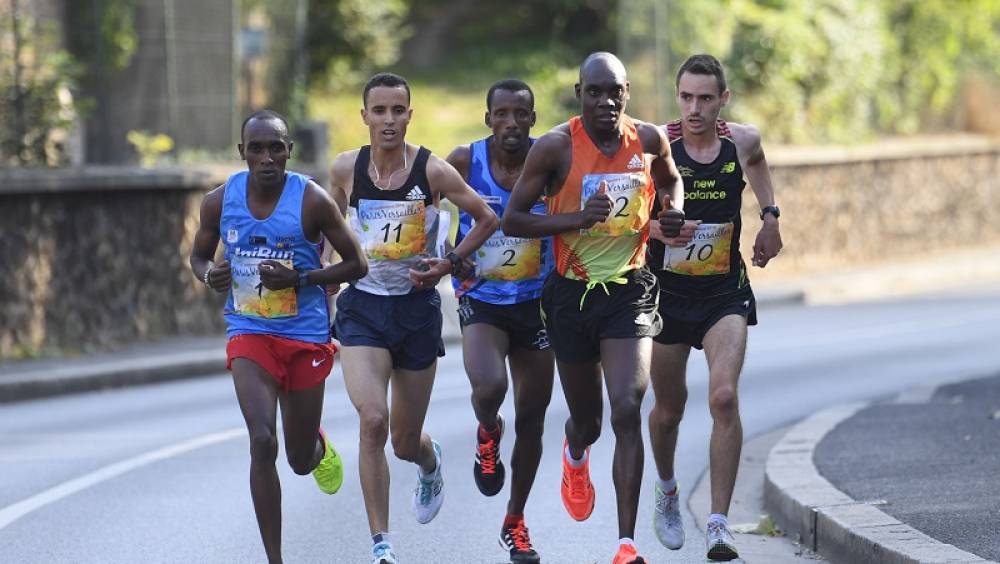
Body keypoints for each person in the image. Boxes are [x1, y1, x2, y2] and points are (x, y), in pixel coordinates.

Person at [503, 52, 685, 564]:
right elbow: (514, 220)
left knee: (628, 408)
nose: (606, 101)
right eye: (595, 92)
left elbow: (671, 180)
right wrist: (578, 219)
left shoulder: (648, 139)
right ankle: (575, 452)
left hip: (628, 287)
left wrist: (673, 209)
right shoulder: (556, 148)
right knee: (590, 420)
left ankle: (626, 546)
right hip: (570, 296)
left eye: (616, 92)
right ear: (579, 93)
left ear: (628, 92)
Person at [329, 72, 499, 564]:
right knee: (372, 422)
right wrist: (327, 270)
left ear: (410, 114)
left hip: (416, 311)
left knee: (403, 441)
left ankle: (429, 460)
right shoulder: (345, 168)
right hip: (362, 307)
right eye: (378, 111)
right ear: (364, 116)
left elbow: (487, 218)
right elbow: (327, 223)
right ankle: (381, 544)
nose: (388, 120)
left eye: (397, 110)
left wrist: (449, 262)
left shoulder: (433, 171)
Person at [189, 110, 368, 564]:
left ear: (290, 150)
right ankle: (275, 558)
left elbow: (356, 264)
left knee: (298, 459)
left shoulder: (312, 200)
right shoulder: (219, 201)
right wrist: (211, 274)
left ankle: (317, 447)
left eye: (276, 147)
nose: (266, 157)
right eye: (257, 148)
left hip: (304, 337)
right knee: (261, 440)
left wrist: (300, 278)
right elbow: (198, 258)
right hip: (250, 332)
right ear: (242, 152)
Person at [645, 54, 783, 562]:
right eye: (686, 97)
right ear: (676, 95)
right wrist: (654, 228)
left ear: (722, 98)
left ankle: (719, 523)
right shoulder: (657, 144)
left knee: (723, 397)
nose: (694, 108)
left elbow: (759, 162)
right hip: (666, 295)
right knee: (668, 409)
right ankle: (666, 489)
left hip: (724, 293)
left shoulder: (740, 140)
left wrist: (770, 216)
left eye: (705, 98)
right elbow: (632, 213)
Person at [445, 79, 554, 564]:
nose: (511, 123)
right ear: (488, 117)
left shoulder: (551, 160)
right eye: (501, 114)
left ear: (532, 118)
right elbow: (422, 206)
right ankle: (487, 431)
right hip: (482, 298)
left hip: (537, 301)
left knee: (532, 416)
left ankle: (516, 522)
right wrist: (449, 254)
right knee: (489, 387)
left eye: (521, 114)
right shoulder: (466, 161)